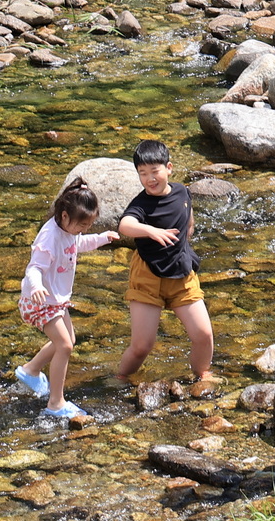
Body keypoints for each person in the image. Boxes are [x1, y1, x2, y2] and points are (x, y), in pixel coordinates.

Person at [115, 139, 219, 398]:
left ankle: (202, 375)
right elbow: (125, 226)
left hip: (181, 273)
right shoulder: (142, 204)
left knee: (203, 334)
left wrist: (188, 231)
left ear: (169, 168)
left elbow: (187, 214)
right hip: (147, 275)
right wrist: (150, 230)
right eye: (142, 173)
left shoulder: (183, 191)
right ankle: (119, 378)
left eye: (154, 171)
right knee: (142, 346)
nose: (149, 179)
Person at [14, 179, 118, 419]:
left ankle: (30, 371)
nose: (83, 231)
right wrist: (37, 286)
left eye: (88, 226)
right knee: (65, 345)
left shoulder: (69, 231)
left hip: (56, 300)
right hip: (39, 301)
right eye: (82, 225)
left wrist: (102, 237)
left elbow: (78, 244)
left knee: (68, 339)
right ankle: (56, 403)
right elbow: (34, 269)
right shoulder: (49, 237)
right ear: (63, 215)